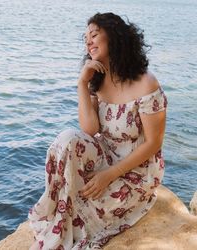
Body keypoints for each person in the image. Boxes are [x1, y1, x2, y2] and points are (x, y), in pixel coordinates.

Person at [28, 12, 167, 250]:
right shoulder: (97, 80)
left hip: (137, 170)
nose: (88, 42)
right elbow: (89, 131)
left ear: (115, 38)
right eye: (85, 39)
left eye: (94, 35)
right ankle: (58, 207)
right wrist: (82, 84)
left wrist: (110, 174)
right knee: (67, 139)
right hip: (106, 155)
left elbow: (154, 143)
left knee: (87, 212)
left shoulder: (146, 83)